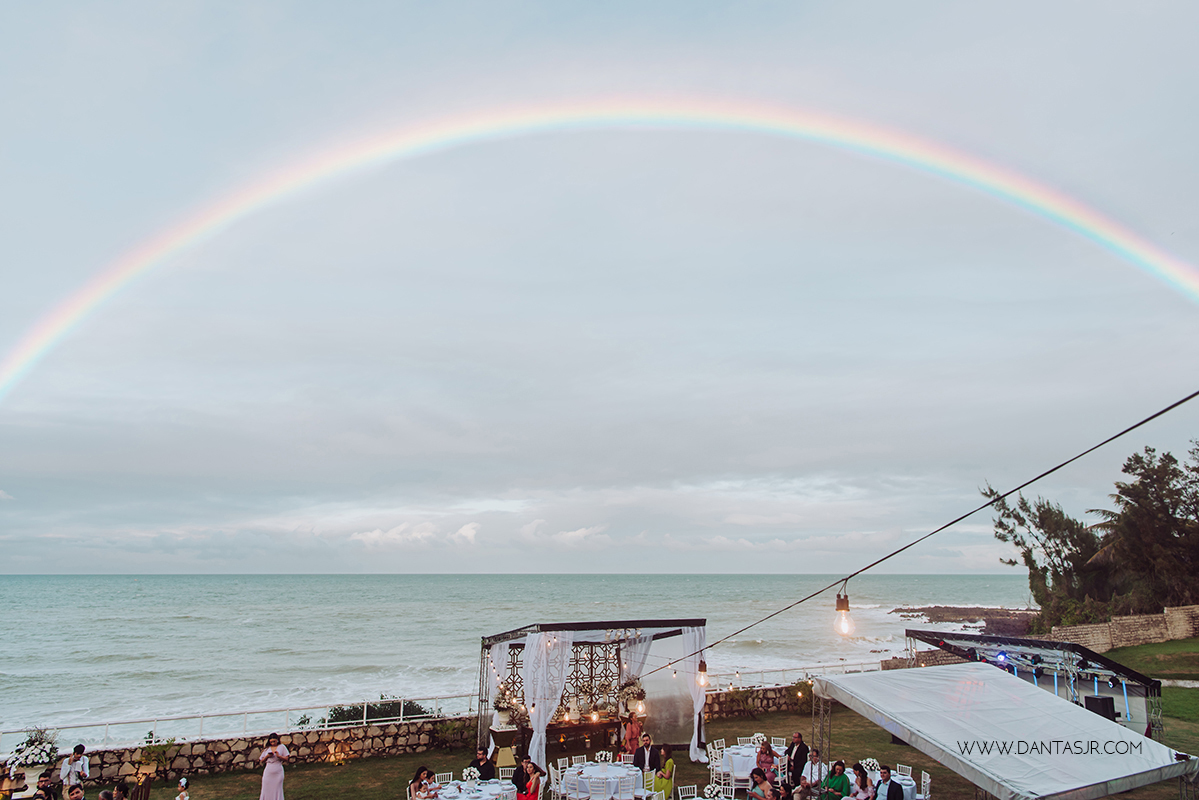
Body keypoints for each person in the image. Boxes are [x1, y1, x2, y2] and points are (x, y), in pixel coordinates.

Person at [258, 732, 289, 800]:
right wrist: (267, 756)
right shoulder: (267, 749)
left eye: (274, 741)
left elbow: (286, 758)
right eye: (271, 742)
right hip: (268, 771)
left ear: (277, 740)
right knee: (266, 788)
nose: (273, 743)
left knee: (277, 788)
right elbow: (261, 760)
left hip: (278, 771)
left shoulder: (282, 747)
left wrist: (279, 756)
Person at [783, 733, 809, 797]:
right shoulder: (793, 744)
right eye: (793, 737)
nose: (793, 739)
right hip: (790, 763)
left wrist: (794, 766)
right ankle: (786, 786)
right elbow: (787, 751)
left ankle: (796, 787)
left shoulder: (804, 747)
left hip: (798, 765)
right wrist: (787, 755)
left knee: (795, 773)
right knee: (783, 769)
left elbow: (803, 761)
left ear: (799, 739)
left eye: (795, 737)